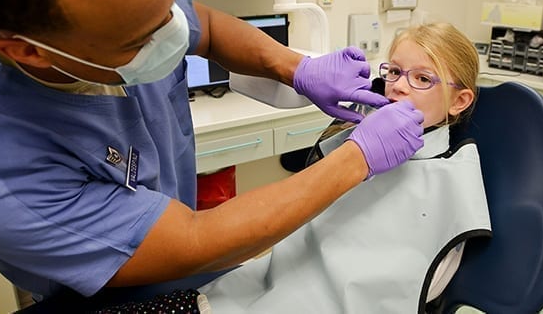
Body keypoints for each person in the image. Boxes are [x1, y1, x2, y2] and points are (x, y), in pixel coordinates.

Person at [0, 0, 426, 308]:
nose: (174, 34)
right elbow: (196, 241)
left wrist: (294, 67)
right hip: (93, 290)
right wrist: (356, 158)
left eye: (168, 2)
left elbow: (201, 24)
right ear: (28, 51)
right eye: (142, 36)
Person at [198, 22, 492, 313]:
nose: (399, 86)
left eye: (423, 79)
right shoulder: (359, 136)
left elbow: (415, 284)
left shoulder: (448, 179)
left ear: (459, 101)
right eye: (394, 72)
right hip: (275, 278)